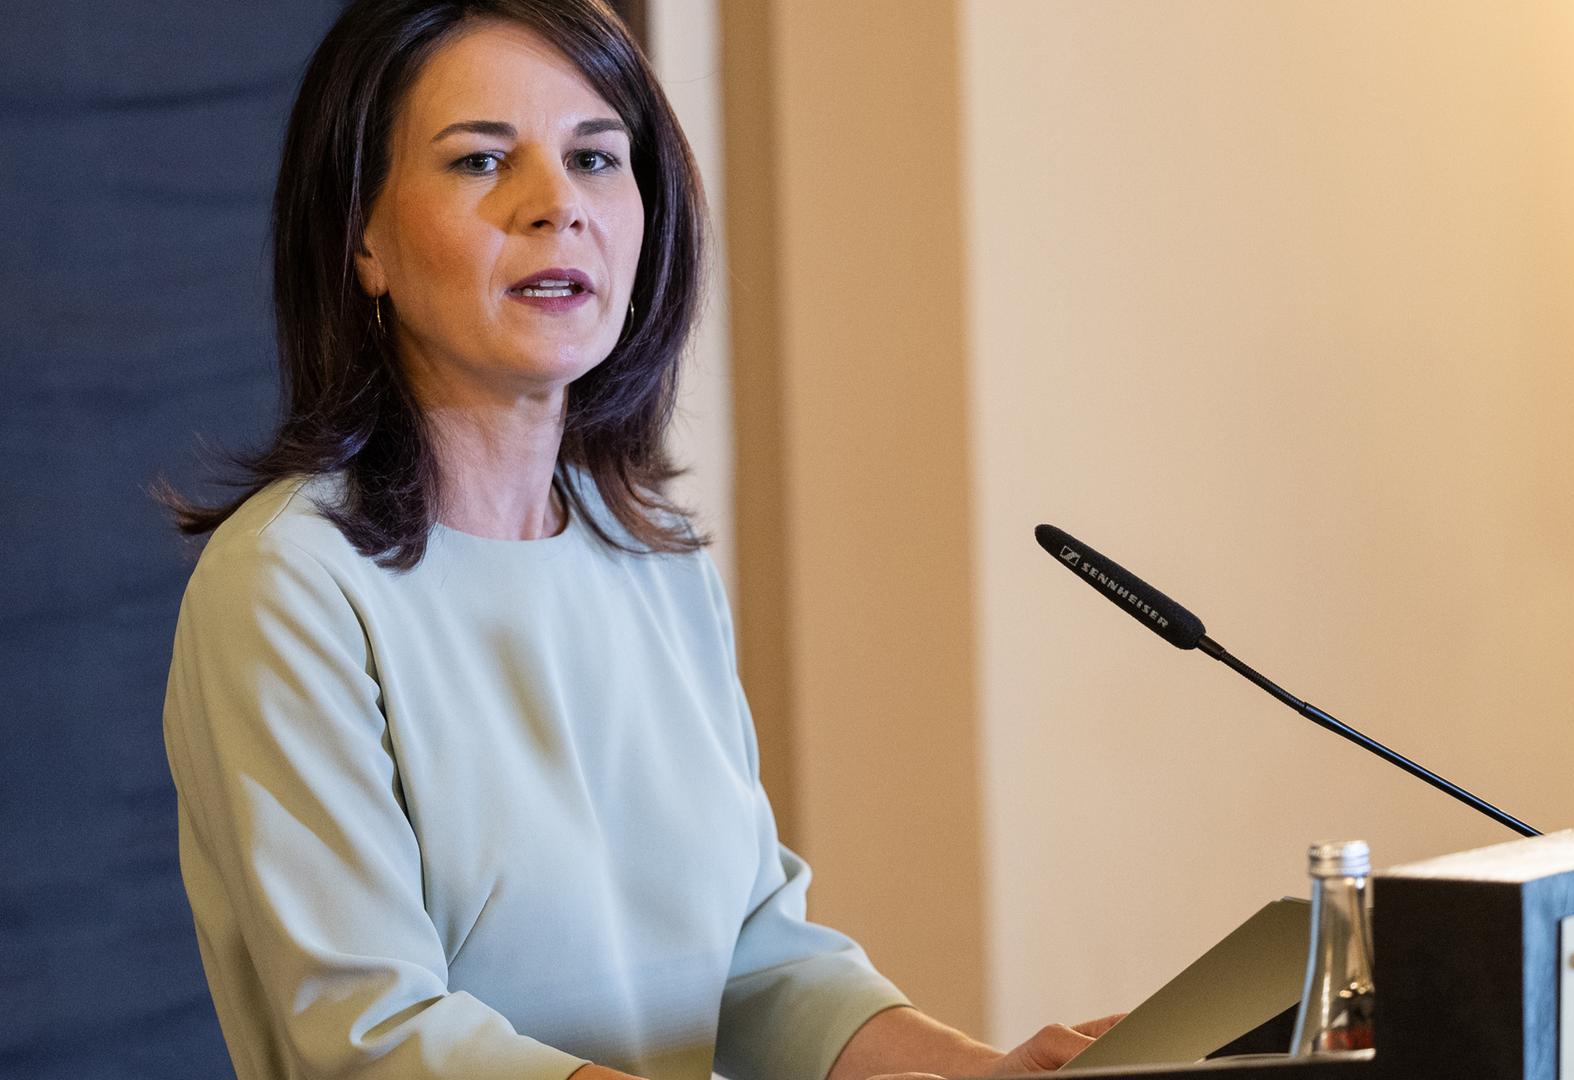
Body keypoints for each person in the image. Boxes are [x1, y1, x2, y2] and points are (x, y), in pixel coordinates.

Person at [156, 2, 1120, 1078]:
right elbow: (375, 1036)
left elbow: (755, 963)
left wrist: (985, 1073)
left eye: (595, 158)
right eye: (481, 161)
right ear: (361, 238)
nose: (557, 206)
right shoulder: (288, 583)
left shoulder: (651, 554)